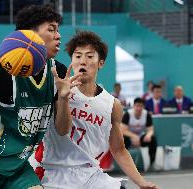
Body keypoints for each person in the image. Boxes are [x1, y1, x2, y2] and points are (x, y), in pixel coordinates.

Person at [0, 4, 80, 189]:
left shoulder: (57, 72)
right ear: (30, 35)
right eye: (51, 29)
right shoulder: (3, 69)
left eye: (58, 30)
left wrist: (64, 98)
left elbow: (62, 129)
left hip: (17, 167)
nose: (58, 35)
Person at [30, 31, 159, 189]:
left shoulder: (112, 104)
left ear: (101, 63)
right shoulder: (57, 90)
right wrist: (63, 98)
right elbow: (62, 129)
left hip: (89, 175)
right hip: (53, 172)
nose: (82, 61)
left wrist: (141, 182)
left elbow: (119, 150)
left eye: (90, 56)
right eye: (77, 56)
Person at [121, 97, 157, 169]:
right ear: (134, 106)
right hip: (129, 137)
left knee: (153, 139)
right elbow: (123, 130)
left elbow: (151, 130)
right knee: (122, 139)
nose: (139, 108)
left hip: (140, 138)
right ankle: (125, 165)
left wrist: (148, 135)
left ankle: (152, 163)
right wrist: (133, 136)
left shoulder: (147, 115)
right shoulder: (128, 114)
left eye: (141, 106)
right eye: (137, 106)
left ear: (143, 107)